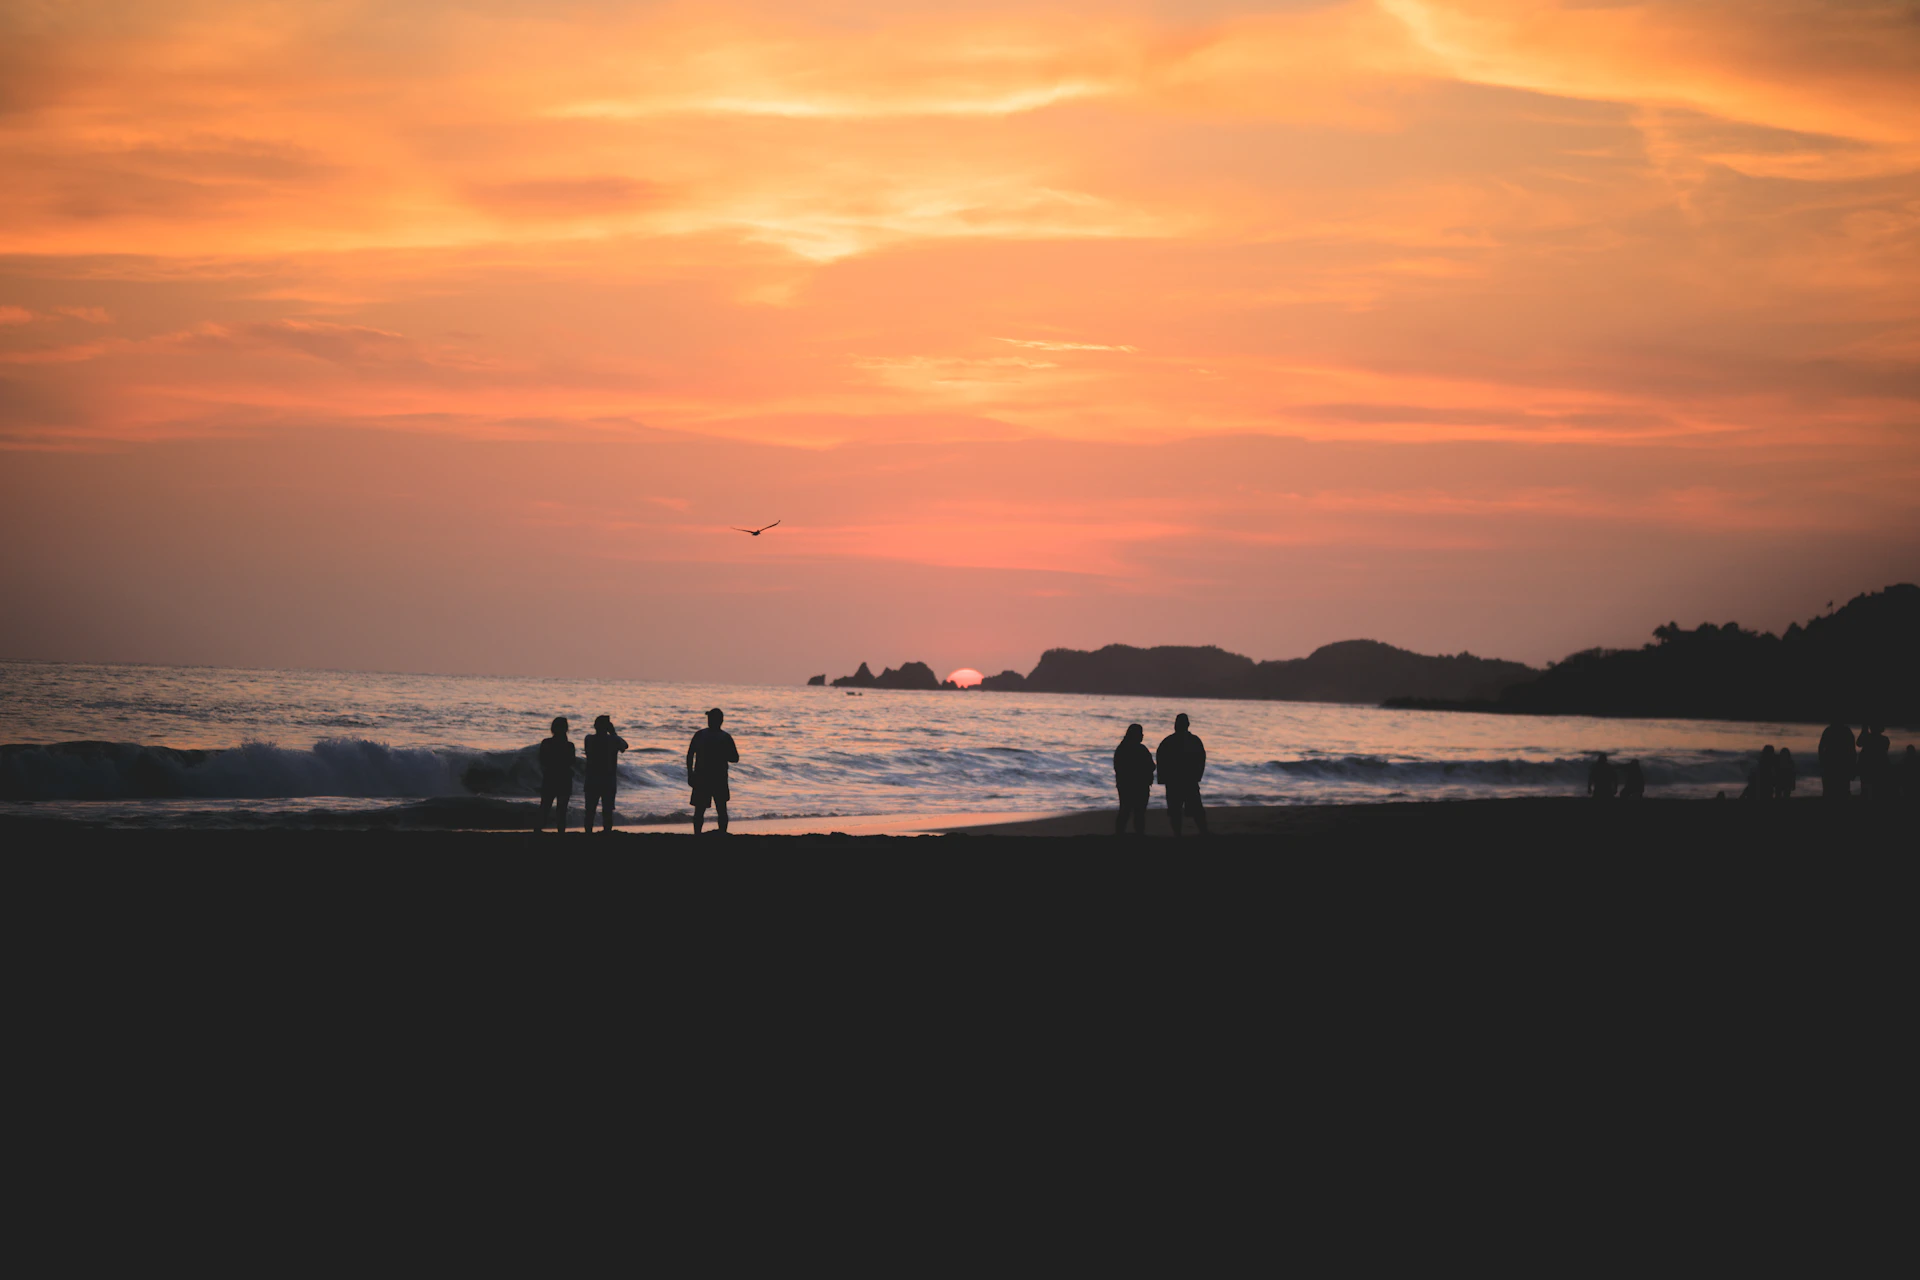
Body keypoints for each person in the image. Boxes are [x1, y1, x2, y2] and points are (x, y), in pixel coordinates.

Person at [686, 707, 739, 836]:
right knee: (707, 809)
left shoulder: (707, 735)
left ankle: (704, 834)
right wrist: (690, 773)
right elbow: (690, 754)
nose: (709, 721)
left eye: (711, 718)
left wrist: (690, 773)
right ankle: (707, 833)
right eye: (709, 718)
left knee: (714, 809)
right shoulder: (721, 737)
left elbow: (735, 758)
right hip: (707, 777)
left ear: (719, 720)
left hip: (712, 777)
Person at [1155, 713, 1208, 836]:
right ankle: (1202, 832)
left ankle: (1180, 834)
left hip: (1177, 782)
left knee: (1179, 811)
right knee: (1193, 810)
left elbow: (1161, 761)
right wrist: (1197, 777)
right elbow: (1201, 760)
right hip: (1187, 781)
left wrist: (1163, 779)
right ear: (1188, 725)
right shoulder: (1194, 741)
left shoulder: (1169, 741)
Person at [582, 714, 629, 834]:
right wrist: (613, 732)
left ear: (595, 726)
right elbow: (624, 746)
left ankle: (588, 833)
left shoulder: (589, 739)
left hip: (592, 778)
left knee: (590, 810)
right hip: (608, 780)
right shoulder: (613, 740)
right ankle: (607, 832)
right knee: (607, 810)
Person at [1113, 723, 1155, 835]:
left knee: (1125, 811)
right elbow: (1152, 766)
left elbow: (1118, 768)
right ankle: (1138, 834)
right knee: (1138, 813)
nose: (1142, 736)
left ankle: (1120, 834)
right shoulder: (1140, 749)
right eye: (1140, 733)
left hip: (1126, 785)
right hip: (1138, 786)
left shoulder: (1121, 749)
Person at [536, 716, 575, 834]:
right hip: (564, 779)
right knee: (561, 810)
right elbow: (571, 762)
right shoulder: (569, 745)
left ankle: (537, 831)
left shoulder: (546, 743)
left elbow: (542, 760)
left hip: (550, 778)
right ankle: (560, 833)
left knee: (545, 807)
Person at [1817, 722, 1856, 800]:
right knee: (1843, 791)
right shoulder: (1847, 731)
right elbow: (1852, 751)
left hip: (1831, 765)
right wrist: (1853, 766)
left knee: (1829, 791)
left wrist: (1822, 761)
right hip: (1843, 765)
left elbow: (1820, 748)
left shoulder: (1828, 731)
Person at [1857, 722, 1891, 801]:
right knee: (1877, 790)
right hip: (1879, 767)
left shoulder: (1868, 738)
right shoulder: (1884, 739)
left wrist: (1863, 731)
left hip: (1868, 767)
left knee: (1866, 789)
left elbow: (1859, 743)